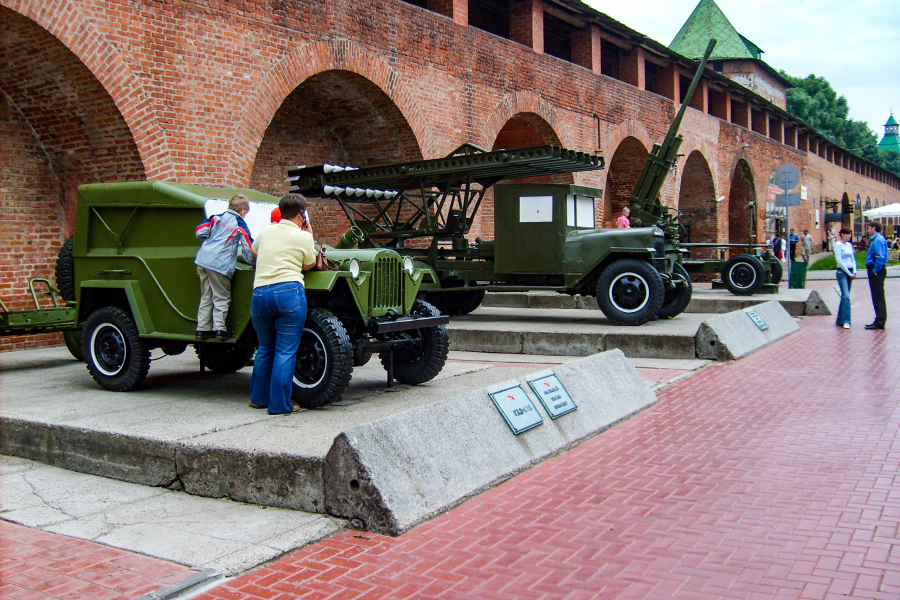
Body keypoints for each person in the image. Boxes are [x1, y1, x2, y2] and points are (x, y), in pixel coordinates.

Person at [248, 193, 317, 414]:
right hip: (288, 293)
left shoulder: (266, 232)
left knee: (265, 348)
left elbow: (253, 252)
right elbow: (309, 264)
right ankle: (280, 404)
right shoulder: (303, 237)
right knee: (285, 351)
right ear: (301, 214)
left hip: (260, 294)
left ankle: (258, 398)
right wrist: (310, 235)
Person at [194, 194, 253, 341]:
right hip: (219, 264)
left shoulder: (216, 217)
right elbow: (249, 249)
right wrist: (253, 263)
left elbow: (200, 231)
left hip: (203, 259)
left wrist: (210, 241)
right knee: (221, 296)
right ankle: (219, 329)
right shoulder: (240, 224)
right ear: (243, 212)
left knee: (206, 295)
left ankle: (202, 329)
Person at [865, 222, 888, 330]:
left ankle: (880, 321)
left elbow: (880, 256)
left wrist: (875, 270)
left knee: (878, 296)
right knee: (877, 295)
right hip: (876, 269)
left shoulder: (877, 240)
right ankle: (879, 319)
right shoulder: (877, 239)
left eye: (869, 228)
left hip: (876, 270)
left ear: (874, 228)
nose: (868, 230)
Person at [834, 227, 856, 329]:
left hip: (850, 271)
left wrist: (854, 271)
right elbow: (839, 260)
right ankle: (847, 320)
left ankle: (840, 319)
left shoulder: (849, 245)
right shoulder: (838, 245)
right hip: (842, 272)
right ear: (842, 234)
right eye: (847, 234)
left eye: (850, 234)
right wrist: (848, 273)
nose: (849, 236)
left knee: (845, 297)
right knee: (846, 295)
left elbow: (853, 259)